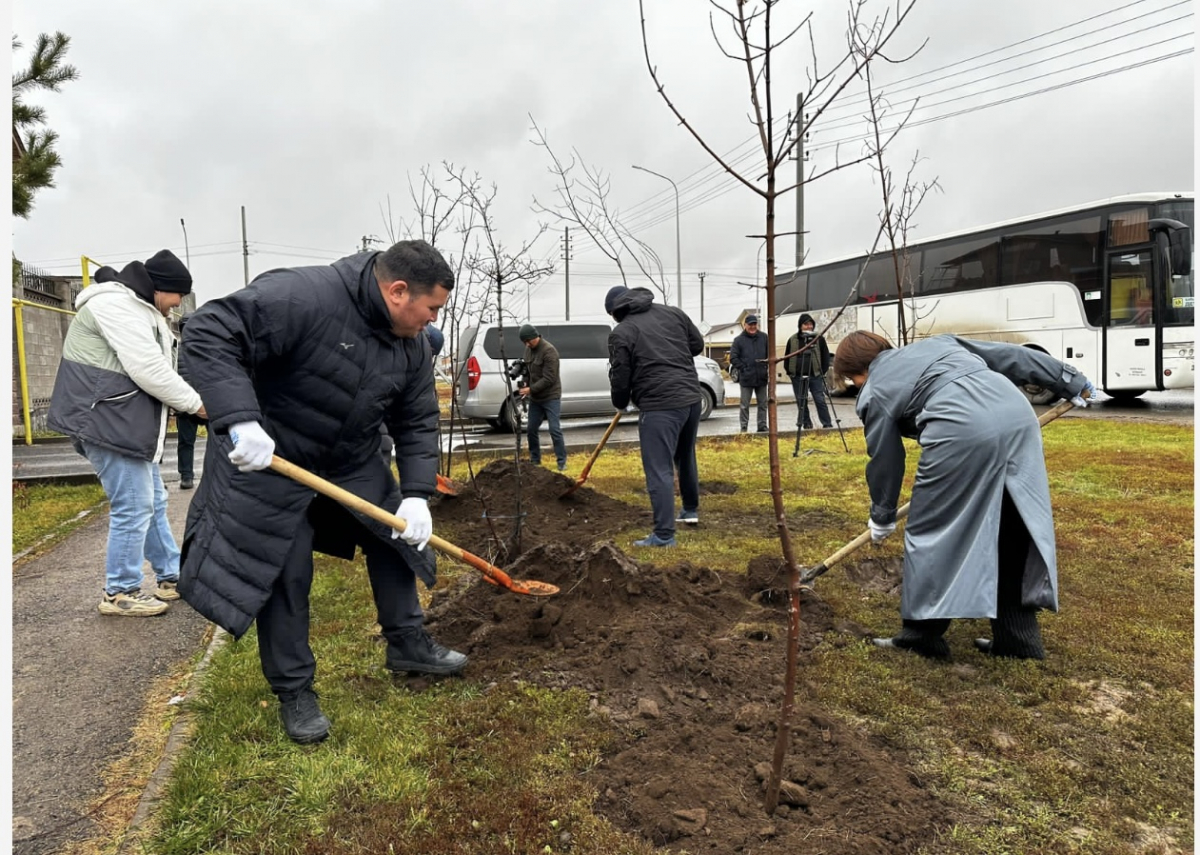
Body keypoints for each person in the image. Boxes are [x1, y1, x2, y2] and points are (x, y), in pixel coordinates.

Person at [178, 240, 467, 745]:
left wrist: (417, 494)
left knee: (397, 536)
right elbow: (208, 331)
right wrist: (240, 419)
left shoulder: (412, 344)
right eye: (433, 308)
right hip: (270, 457)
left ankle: (408, 644)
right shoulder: (302, 296)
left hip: (349, 458)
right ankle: (295, 691)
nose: (433, 319)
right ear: (398, 292)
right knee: (286, 570)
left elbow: (416, 418)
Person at [831, 331, 1096, 660]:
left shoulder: (875, 390)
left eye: (853, 379)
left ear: (857, 371)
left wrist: (882, 514)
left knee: (932, 531)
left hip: (960, 430)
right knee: (1012, 525)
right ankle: (1018, 641)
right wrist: (1069, 380)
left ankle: (921, 636)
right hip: (1016, 415)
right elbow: (1013, 357)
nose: (856, 385)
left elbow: (885, 458)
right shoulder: (939, 344)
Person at [47, 249, 206, 617]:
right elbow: (148, 368)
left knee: (151, 501)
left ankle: (171, 576)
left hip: (122, 422)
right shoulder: (115, 306)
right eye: (178, 294)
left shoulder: (139, 308)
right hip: (105, 422)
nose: (179, 303)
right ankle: (120, 591)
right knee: (133, 506)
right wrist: (196, 405)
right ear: (161, 288)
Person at [605, 285, 704, 547]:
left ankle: (663, 535)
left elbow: (620, 374)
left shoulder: (622, 332)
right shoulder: (674, 314)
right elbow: (697, 344)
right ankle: (690, 510)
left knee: (658, 468)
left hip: (660, 405)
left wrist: (620, 401)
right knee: (685, 455)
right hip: (691, 398)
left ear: (616, 311)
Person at [517, 323, 567, 472]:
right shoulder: (528, 350)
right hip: (536, 399)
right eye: (524, 342)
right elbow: (528, 371)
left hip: (551, 396)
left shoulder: (549, 351)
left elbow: (549, 379)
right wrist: (525, 381)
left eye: (528, 341)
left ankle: (561, 462)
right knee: (531, 429)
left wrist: (530, 389)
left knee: (554, 429)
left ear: (535, 337)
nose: (527, 344)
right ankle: (535, 460)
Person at [783, 313, 833, 430]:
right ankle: (806, 423)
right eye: (806, 324)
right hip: (797, 376)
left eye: (811, 324)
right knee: (801, 401)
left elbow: (825, 356)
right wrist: (790, 373)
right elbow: (787, 356)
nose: (809, 327)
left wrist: (822, 371)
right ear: (800, 325)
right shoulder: (793, 339)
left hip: (815, 375)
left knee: (820, 400)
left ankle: (827, 423)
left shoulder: (818, 339)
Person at [174, 314, 206, 490]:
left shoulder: (207, 347)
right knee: (187, 442)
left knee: (187, 442)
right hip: (192, 404)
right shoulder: (176, 351)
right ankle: (188, 476)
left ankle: (190, 476)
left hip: (197, 403)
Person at [730, 314, 769, 433]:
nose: (752, 327)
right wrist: (744, 368)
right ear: (745, 325)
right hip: (746, 378)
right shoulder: (738, 340)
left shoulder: (764, 337)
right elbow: (733, 358)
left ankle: (762, 426)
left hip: (761, 377)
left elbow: (769, 355)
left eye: (754, 324)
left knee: (763, 404)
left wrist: (765, 366)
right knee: (744, 405)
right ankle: (743, 427)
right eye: (750, 324)